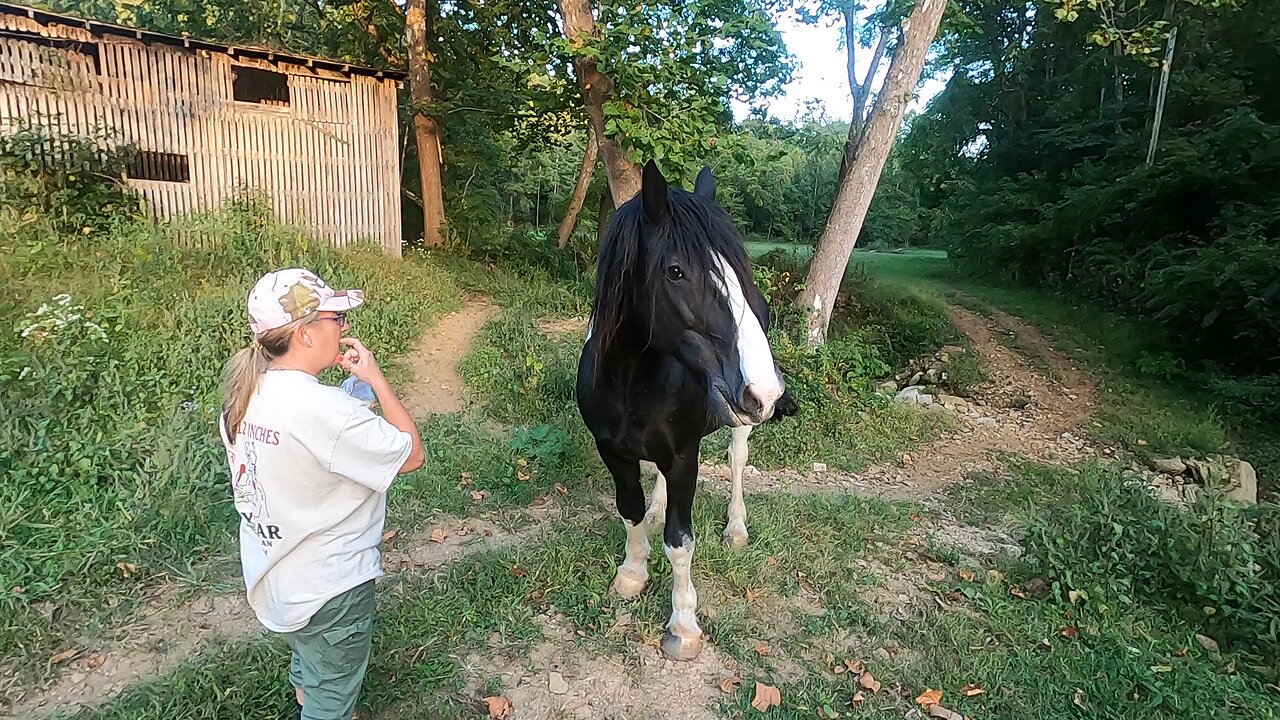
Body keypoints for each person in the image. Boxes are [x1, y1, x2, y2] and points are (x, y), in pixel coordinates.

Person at [218, 267, 425, 720]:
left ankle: (306, 693)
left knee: (311, 655)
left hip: (277, 572)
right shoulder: (326, 411)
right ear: (307, 334)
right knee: (332, 698)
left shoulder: (243, 394)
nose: (345, 326)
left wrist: (350, 400)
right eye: (336, 318)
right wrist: (378, 382)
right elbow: (411, 455)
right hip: (331, 585)